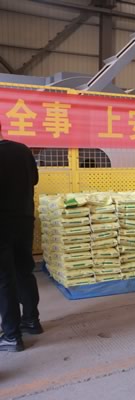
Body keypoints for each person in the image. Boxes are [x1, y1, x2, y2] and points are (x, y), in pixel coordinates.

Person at [0, 122, 42, 352]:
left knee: (4, 279)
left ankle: (11, 335)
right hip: (24, 220)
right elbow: (34, 180)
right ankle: (32, 321)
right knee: (24, 271)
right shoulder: (22, 150)